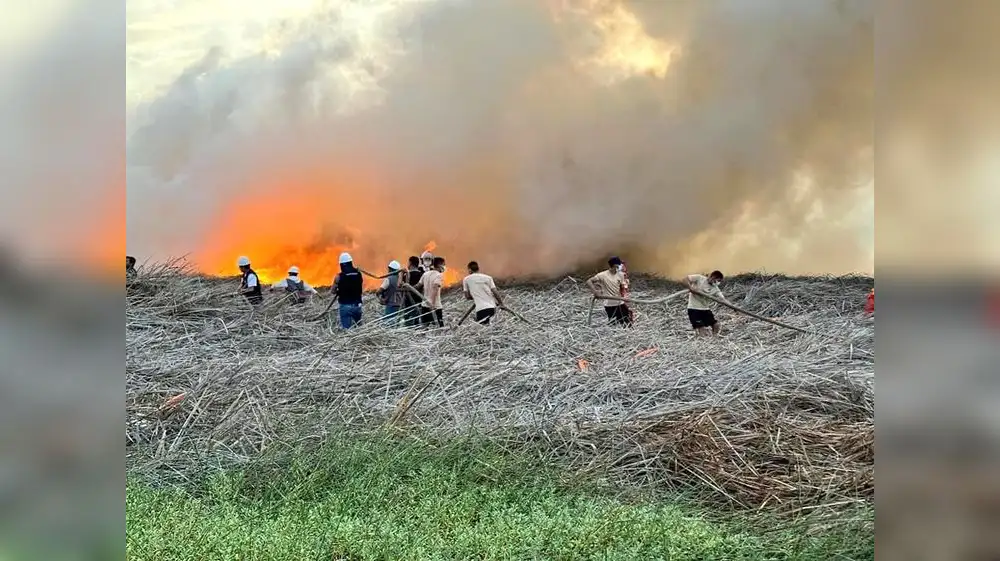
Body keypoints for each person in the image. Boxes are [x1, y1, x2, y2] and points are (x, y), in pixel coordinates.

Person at [681, 270, 730, 336]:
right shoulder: (699, 278)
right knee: (702, 330)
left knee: (716, 325)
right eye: (716, 280)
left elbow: (723, 299)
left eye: (719, 281)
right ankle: (702, 340)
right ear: (711, 277)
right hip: (694, 308)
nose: (717, 282)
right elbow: (684, 279)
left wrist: (733, 307)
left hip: (705, 309)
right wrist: (691, 288)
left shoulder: (715, 288)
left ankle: (715, 339)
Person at [586, 257, 632, 327]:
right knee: (614, 323)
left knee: (627, 322)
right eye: (620, 264)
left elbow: (623, 287)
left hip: (620, 302)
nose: (621, 266)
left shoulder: (620, 275)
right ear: (615, 265)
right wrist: (595, 291)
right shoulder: (602, 275)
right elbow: (589, 281)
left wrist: (626, 284)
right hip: (609, 304)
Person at [462, 261, 504, 325]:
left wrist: (476, 296)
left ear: (470, 269)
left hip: (480, 309)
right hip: (492, 308)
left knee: (484, 330)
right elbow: (495, 292)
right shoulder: (488, 278)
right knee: (493, 328)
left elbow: (467, 296)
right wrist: (501, 304)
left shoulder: (466, 279)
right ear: (478, 268)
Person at [332, 252, 364, 328]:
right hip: (357, 306)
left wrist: (339, 291)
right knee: (359, 328)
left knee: (347, 331)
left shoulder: (339, 276)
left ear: (342, 265)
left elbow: (333, 291)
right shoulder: (358, 274)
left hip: (345, 306)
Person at [415, 256, 445, 327]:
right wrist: (432, 304)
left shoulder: (425, 274)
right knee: (439, 328)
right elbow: (435, 288)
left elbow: (418, 286)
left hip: (424, 305)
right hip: (435, 306)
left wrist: (407, 287)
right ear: (440, 265)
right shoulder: (439, 275)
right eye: (443, 264)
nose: (444, 266)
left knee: (425, 327)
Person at [376, 260, 406, 324]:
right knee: (397, 324)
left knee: (389, 324)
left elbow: (379, 291)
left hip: (391, 306)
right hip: (400, 306)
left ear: (390, 269)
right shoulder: (401, 280)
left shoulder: (388, 279)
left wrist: (381, 299)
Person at [401, 256, 425, 327]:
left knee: (408, 324)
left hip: (408, 304)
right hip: (419, 303)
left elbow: (400, 287)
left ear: (410, 263)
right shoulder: (422, 275)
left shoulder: (406, 276)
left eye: (408, 262)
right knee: (417, 323)